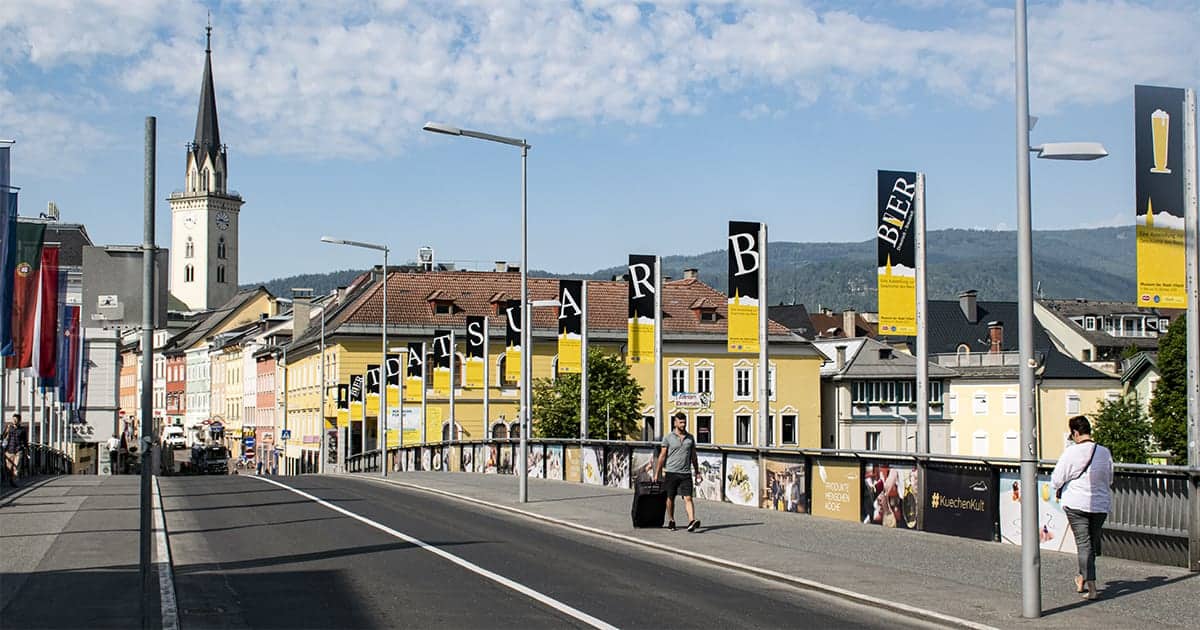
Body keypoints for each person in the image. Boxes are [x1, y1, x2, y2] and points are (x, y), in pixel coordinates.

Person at [1051, 415, 1113, 601]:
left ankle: (1092, 587)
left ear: (1075, 433)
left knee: (1084, 544)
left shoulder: (1071, 453)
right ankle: (1081, 577)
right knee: (1090, 544)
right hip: (1100, 504)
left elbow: (1057, 479)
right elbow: (1110, 478)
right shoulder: (1104, 452)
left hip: (1076, 504)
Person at [653, 412, 702, 532]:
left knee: (688, 497)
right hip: (671, 472)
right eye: (681, 422)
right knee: (670, 498)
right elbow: (662, 456)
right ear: (675, 423)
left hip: (686, 473)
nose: (683, 424)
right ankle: (671, 520)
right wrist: (657, 473)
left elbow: (693, 456)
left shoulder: (690, 438)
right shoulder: (668, 437)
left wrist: (697, 471)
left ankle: (691, 521)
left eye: (684, 422)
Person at [3, 414, 29, 487]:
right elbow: (3, 436)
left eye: (16, 419)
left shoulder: (22, 430)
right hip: (9, 450)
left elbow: (25, 441)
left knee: (16, 466)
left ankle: (14, 480)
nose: (14, 421)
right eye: (13, 419)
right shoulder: (9, 428)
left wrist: (27, 451)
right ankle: (11, 479)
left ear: (19, 421)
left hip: (18, 450)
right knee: (9, 467)